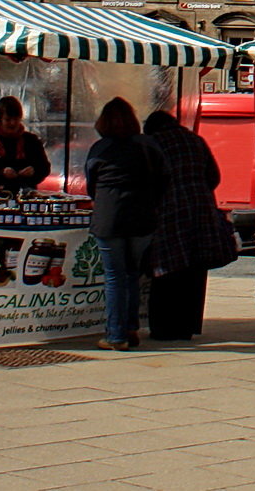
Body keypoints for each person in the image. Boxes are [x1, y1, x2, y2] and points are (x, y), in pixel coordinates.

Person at [143, 109, 237, 342]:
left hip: (169, 211)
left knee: (166, 270)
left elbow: (149, 180)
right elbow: (214, 176)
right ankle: (187, 326)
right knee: (194, 270)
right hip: (200, 209)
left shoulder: (153, 143)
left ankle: (163, 328)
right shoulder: (195, 140)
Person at [84, 98, 166, 351]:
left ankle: (116, 335)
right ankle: (130, 328)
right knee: (132, 273)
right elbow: (164, 177)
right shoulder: (148, 145)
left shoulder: (99, 149)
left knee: (114, 276)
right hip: (142, 217)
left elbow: (91, 185)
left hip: (109, 218)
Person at [0, 96, 50, 195]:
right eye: (8, 119)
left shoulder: (31, 140)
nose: (12, 123)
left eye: (16, 119)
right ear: (0, 119)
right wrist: (1, 173)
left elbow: (45, 168)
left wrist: (34, 171)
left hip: (24, 196)